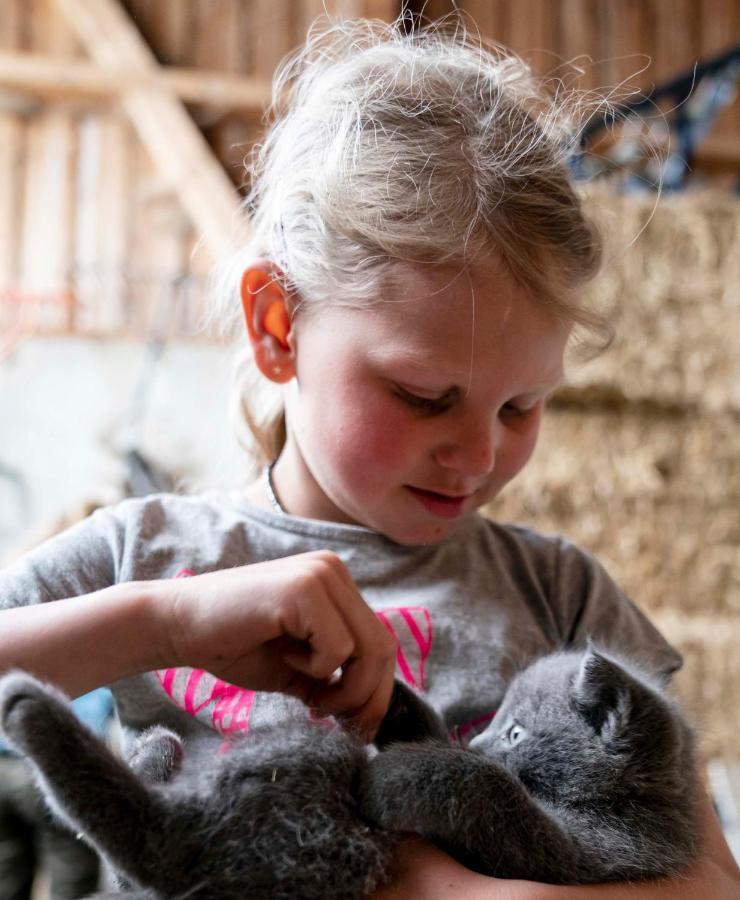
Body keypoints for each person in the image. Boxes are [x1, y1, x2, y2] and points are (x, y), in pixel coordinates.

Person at [0, 17, 737, 899]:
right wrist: (168, 625)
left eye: (521, 405)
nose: (478, 453)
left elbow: (707, 880)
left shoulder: (563, 596)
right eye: (423, 396)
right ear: (279, 325)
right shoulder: (148, 557)